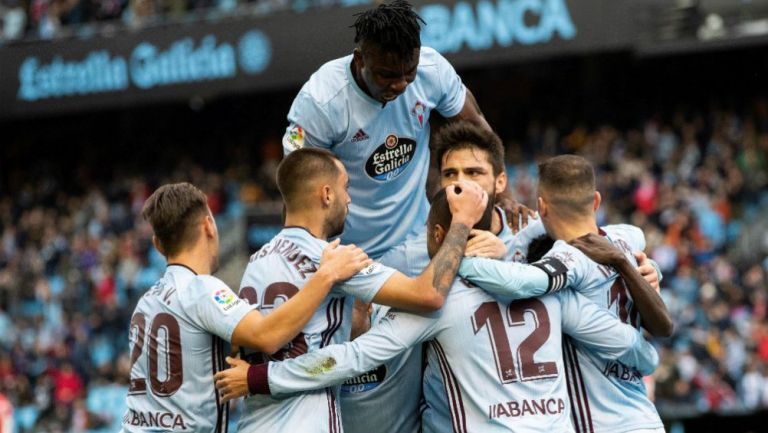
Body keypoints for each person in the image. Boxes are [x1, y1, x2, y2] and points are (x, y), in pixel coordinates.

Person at [216, 189, 659, 433]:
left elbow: (350, 359)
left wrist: (260, 377)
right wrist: (638, 273)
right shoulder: (551, 290)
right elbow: (638, 352)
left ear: (440, 235)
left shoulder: (440, 306)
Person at [233, 148, 487, 433]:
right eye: (346, 188)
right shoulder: (335, 259)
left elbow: (300, 333)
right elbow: (428, 294)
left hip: (251, 423)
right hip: (305, 422)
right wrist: (462, 223)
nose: (349, 199)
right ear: (327, 194)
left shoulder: (256, 263)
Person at [281, 0, 530, 260]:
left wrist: (503, 195)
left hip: (417, 241)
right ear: (359, 59)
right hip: (347, 254)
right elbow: (298, 188)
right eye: (386, 75)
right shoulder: (320, 101)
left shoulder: (432, 71)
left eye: (408, 73)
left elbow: (477, 128)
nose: (400, 85)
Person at [119, 182, 373, 433]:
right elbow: (268, 336)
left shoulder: (146, 302)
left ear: (157, 244)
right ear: (209, 225)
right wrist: (326, 275)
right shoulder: (201, 289)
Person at [458, 155, 673, 432]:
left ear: (542, 206)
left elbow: (521, 282)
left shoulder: (569, 257)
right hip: (645, 418)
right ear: (595, 201)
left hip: (601, 424)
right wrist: (653, 268)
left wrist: (457, 259)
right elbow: (637, 234)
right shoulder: (625, 240)